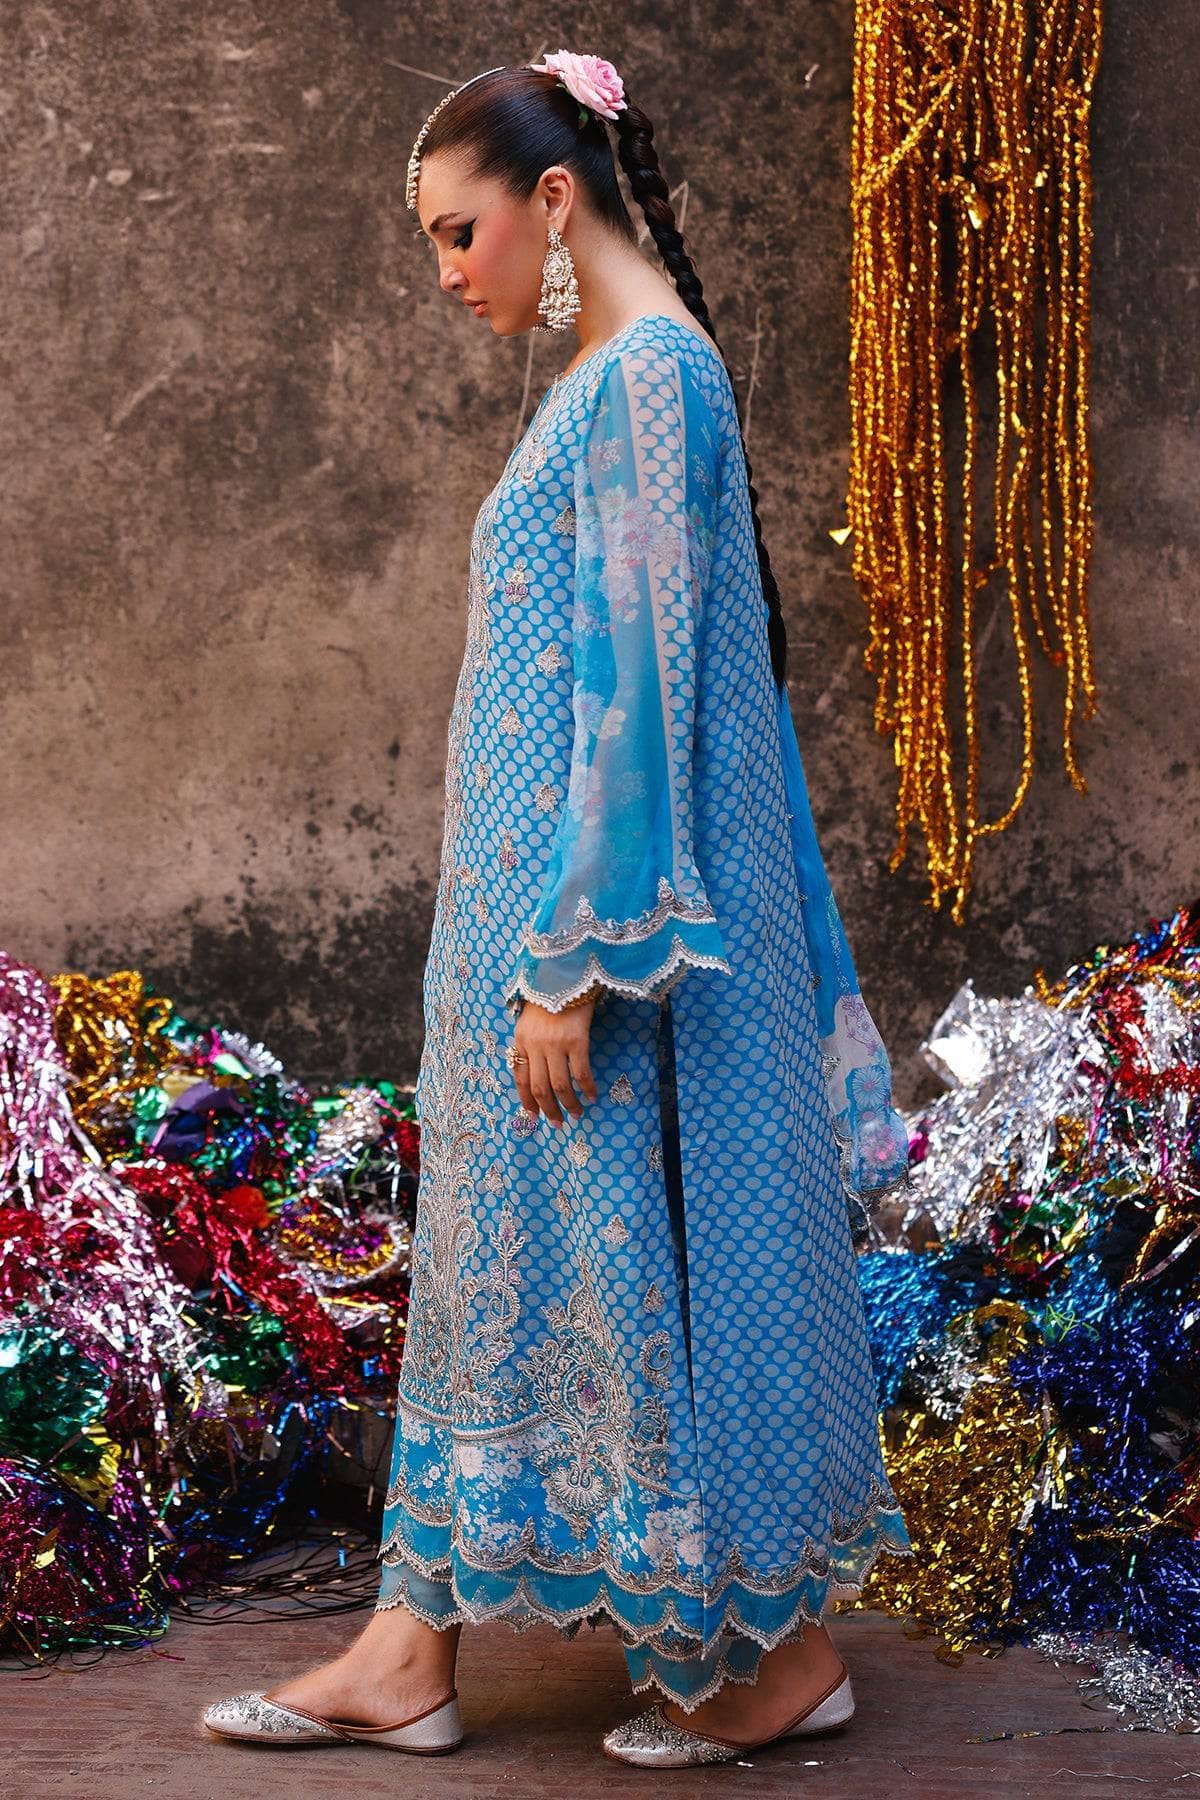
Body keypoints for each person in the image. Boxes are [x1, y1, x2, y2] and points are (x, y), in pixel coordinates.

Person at [202, 50, 913, 1770]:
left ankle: (779, 1658)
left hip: (592, 949)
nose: (449, 273)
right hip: (528, 930)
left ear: (553, 199)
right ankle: (407, 1646)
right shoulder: (599, 378)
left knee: (641, 1270)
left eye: (459, 233)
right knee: (492, 1277)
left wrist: (573, 969)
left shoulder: (648, 380)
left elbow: (638, 698)